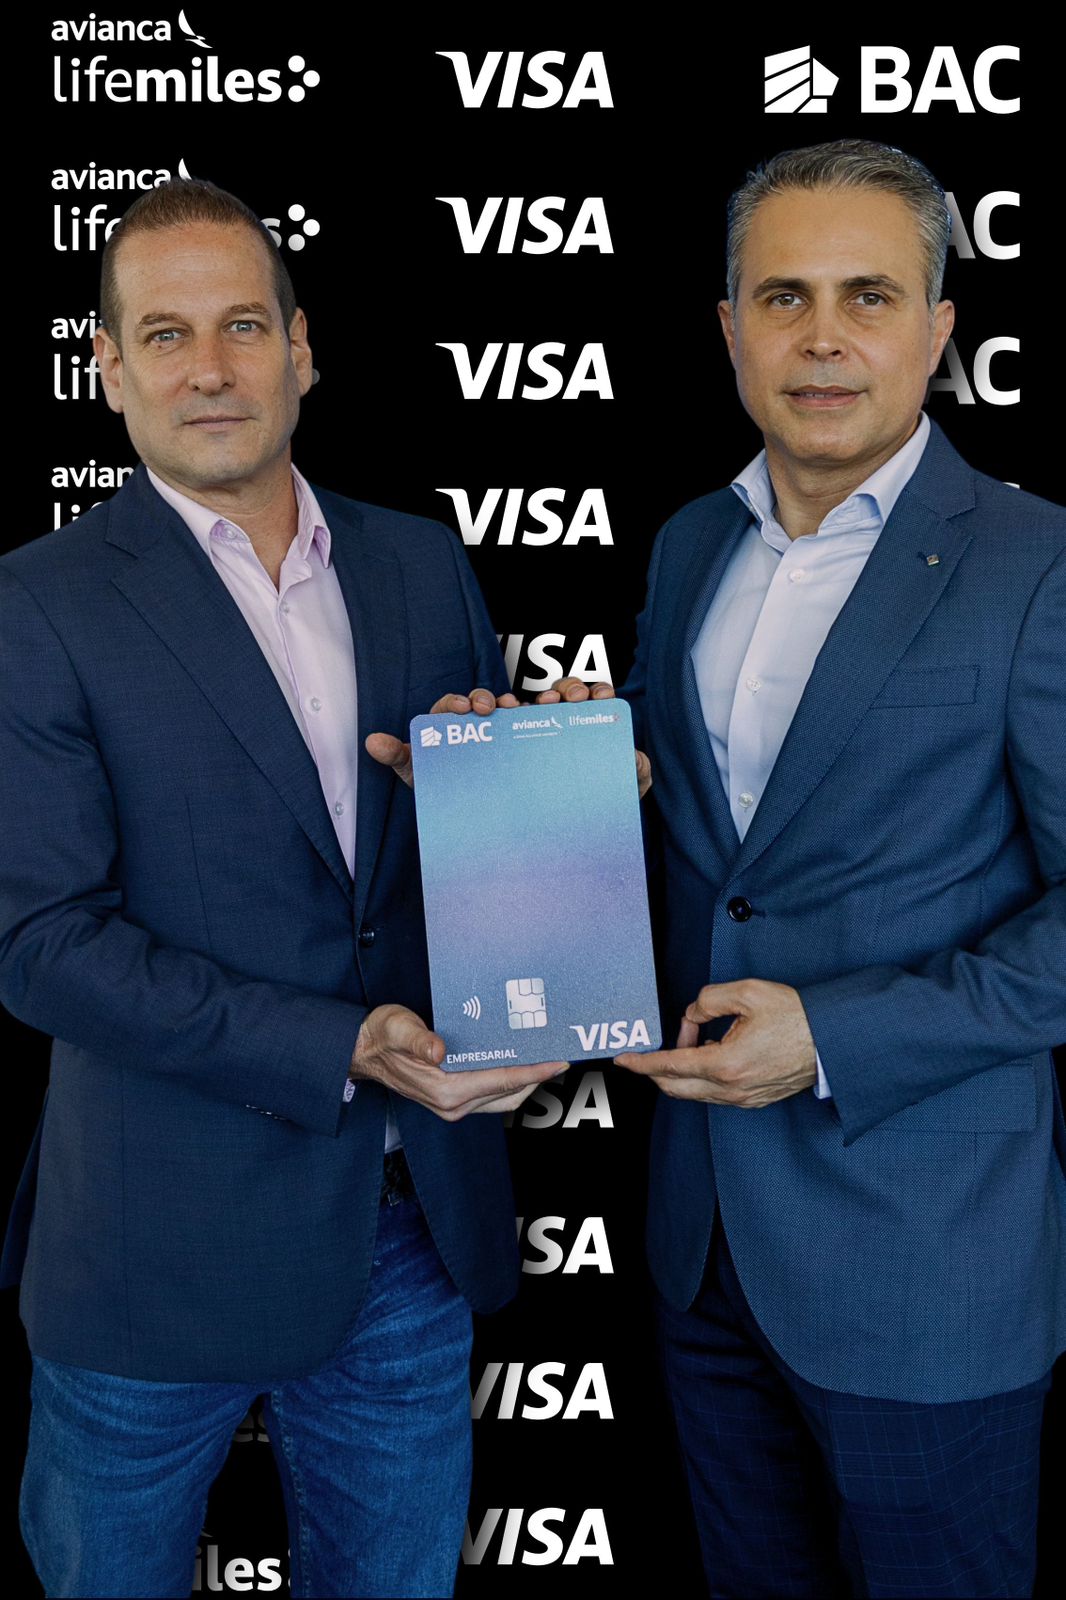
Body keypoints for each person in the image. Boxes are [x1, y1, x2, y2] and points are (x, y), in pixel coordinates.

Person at [0, 177, 565, 1600]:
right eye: (166, 334)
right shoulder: (38, 603)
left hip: (409, 1239)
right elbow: (42, 943)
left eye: (243, 326)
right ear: (109, 368)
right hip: (150, 1258)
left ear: (301, 348)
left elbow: (474, 864)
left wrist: (542, 802)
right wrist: (343, 1044)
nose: (210, 368)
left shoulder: (419, 561)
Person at [552, 139, 1066, 1598]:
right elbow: (713, 846)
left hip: (925, 1264)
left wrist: (834, 1037)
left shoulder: (1036, 565)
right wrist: (522, 782)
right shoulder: (685, 546)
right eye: (783, 297)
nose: (822, 336)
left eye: (867, 296)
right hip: (703, 1247)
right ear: (729, 328)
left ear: (938, 327)